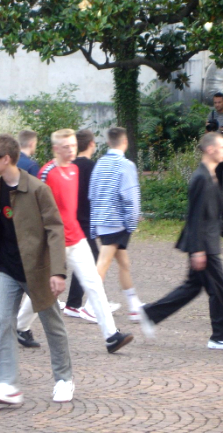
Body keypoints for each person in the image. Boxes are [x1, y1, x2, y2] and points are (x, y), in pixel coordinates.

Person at [15, 129, 133, 354]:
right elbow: (35, 206)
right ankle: (20, 327)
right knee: (43, 289)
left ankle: (111, 336)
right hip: (53, 241)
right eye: (66, 146)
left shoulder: (76, 169)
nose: (71, 150)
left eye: (73, 146)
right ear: (55, 149)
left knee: (94, 284)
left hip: (76, 238)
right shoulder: (46, 172)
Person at [0, 134, 74, 405]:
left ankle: (64, 379)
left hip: (37, 270)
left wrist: (57, 271)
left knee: (52, 325)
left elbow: (55, 229)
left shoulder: (36, 189)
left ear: (6, 159)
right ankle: (8, 385)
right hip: (6, 270)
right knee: (1, 322)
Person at [138, 132, 223, 350]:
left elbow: (212, 214)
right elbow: (195, 215)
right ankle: (221, 336)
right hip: (204, 244)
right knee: (219, 289)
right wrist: (197, 250)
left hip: (207, 241)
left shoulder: (211, 176)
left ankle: (150, 313)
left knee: (192, 287)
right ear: (210, 149)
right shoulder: (201, 177)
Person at [89, 127, 143, 321]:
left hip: (102, 220)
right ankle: (91, 305)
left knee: (123, 263)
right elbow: (131, 197)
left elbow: (91, 193)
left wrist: (94, 222)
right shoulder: (126, 165)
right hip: (116, 222)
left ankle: (133, 303)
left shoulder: (99, 164)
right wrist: (131, 222)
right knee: (103, 264)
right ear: (125, 141)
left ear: (109, 142)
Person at [62, 129, 106, 320]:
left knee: (83, 260)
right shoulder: (92, 167)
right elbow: (96, 196)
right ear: (91, 144)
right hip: (85, 222)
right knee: (92, 260)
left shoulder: (69, 167)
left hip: (71, 220)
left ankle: (74, 302)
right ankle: (82, 304)